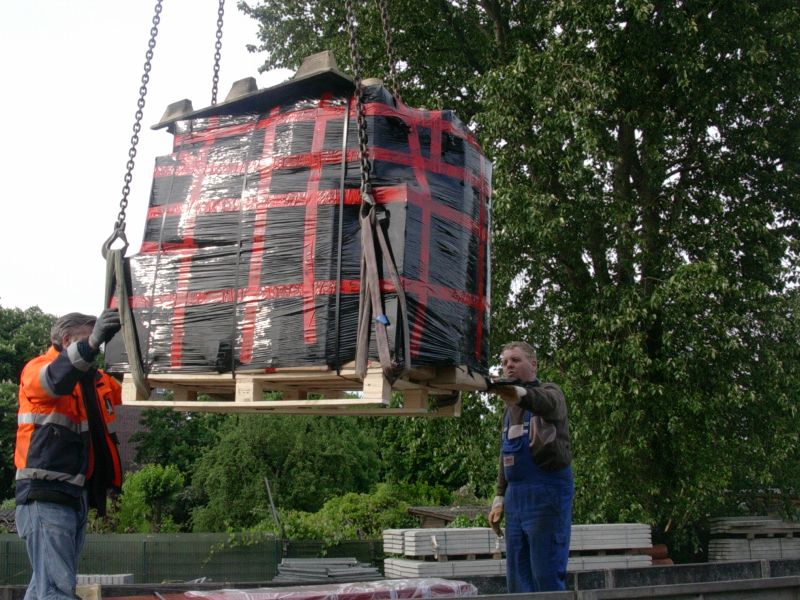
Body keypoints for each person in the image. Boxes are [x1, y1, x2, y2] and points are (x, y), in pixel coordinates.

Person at [14, 309, 123, 600]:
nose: (94, 347)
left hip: (74, 496)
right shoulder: (38, 369)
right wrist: (92, 342)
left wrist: (127, 338)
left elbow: (136, 386)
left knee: (44, 587)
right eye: (89, 339)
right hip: (46, 494)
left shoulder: (96, 382)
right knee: (56, 590)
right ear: (66, 341)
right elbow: (54, 380)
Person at [487, 341, 574, 593]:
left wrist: (519, 393)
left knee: (545, 575)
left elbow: (545, 403)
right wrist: (499, 496)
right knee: (517, 576)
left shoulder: (551, 393)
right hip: (515, 498)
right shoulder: (508, 410)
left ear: (533, 365)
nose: (508, 366)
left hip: (545, 494)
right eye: (504, 362)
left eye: (515, 360)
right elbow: (506, 452)